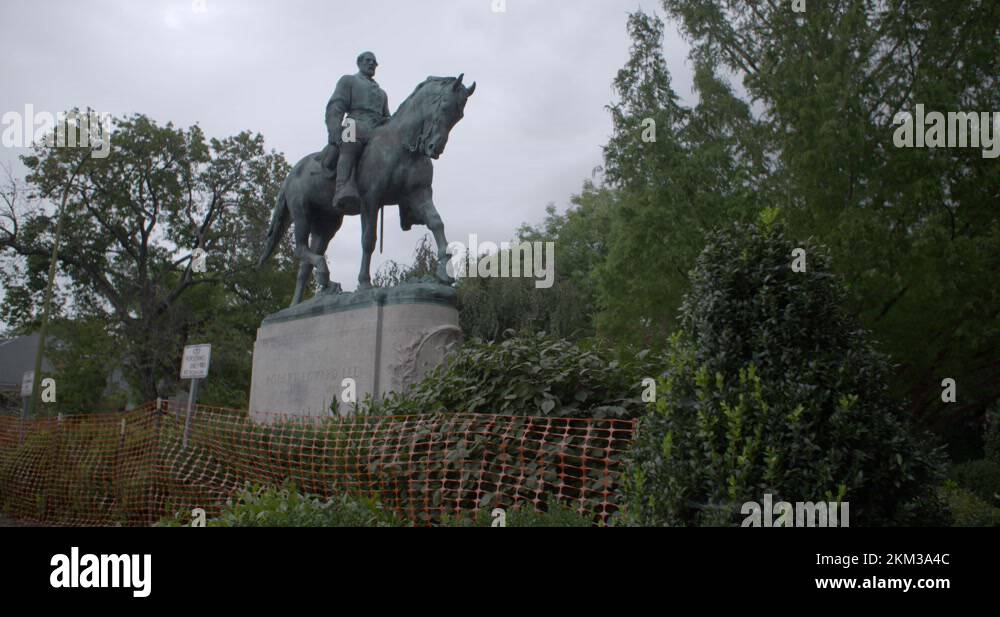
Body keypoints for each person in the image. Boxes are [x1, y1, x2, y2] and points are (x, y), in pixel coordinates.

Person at [322, 51, 391, 209]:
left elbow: (387, 116)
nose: (372, 64)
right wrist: (334, 131)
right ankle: (342, 188)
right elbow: (336, 106)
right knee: (350, 143)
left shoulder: (382, 93)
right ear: (359, 63)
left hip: (376, 130)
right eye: (368, 60)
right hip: (352, 123)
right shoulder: (349, 81)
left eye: (374, 62)